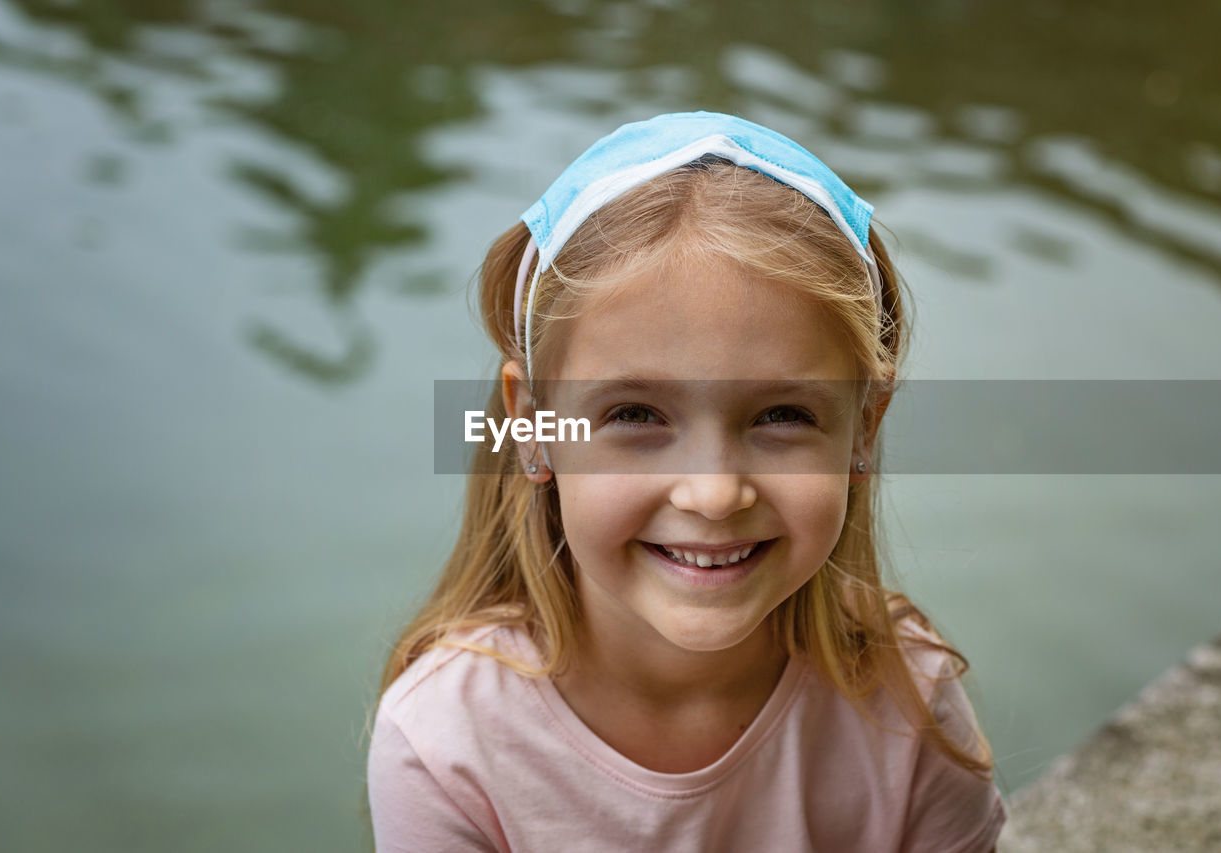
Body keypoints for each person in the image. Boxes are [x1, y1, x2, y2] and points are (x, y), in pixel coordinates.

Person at [367, 111, 1007, 852]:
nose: (712, 493)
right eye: (636, 413)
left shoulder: (909, 700)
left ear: (865, 424)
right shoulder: (446, 740)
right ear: (533, 428)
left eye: (781, 414)